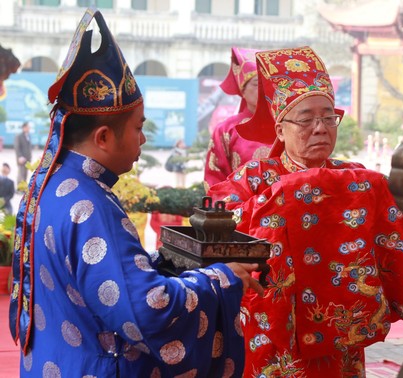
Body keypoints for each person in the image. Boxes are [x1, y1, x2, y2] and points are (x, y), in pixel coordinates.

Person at [8, 8, 263, 377]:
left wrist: (161, 265)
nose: (144, 139)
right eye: (138, 128)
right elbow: (148, 310)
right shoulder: (89, 205)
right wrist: (220, 278)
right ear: (104, 137)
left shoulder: (52, 184)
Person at [208, 46, 403, 376]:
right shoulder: (253, 179)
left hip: (340, 340)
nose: (321, 127)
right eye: (307, 118)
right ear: (280, 129)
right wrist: (293, 193)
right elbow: (218, 232)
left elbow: (400, 239)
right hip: (274, 338)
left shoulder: (356, 178)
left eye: (329, 117)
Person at [204, 47, 270, 188]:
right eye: (257, 84)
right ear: (243, 90)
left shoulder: (288, 125)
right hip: (239, 208)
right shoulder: (226, 130)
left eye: (268, 83)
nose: (264, 89)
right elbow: (215, 179)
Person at [14, 121, 32, 187]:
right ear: (24, 128)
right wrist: (20, 157)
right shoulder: (19, 136)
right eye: (28, 127)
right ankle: (19, 188)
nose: (29, 128)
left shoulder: (28, 136)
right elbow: (17, 147)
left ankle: (23, 188)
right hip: (21, 158)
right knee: (21, 173)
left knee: (25, 174)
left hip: (27, 158)